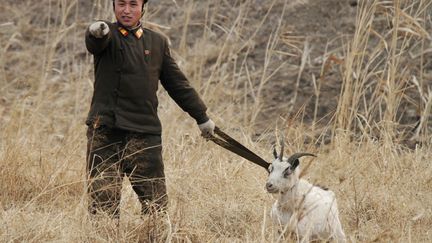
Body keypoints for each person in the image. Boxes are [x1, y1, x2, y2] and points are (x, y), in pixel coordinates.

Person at [85, 0, 215, 218]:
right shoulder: (106, 35)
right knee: (103, 208)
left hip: (145, 134)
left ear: (143, 7)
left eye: (133, 4)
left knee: (156, 207)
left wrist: (202, 117)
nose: (126, 10)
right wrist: (95, 30)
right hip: (106, 133)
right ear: (114, 6)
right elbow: (95, 41)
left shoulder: (157, 42)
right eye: (121, 4)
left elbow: (177, 84)